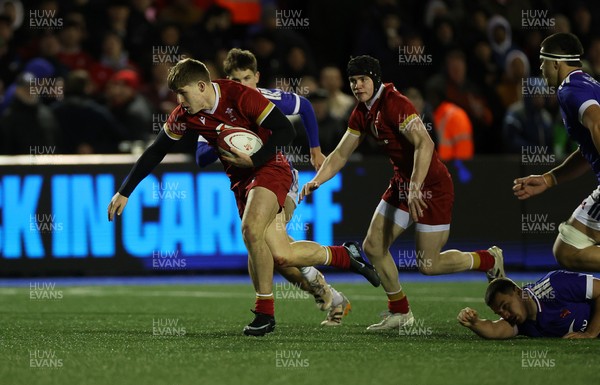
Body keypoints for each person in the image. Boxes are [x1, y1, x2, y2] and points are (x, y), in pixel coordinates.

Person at [107, 58, 379, 336]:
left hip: (270, 168)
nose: (180, 100)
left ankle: (265, 314)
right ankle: (345, 255)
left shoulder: (239, 95)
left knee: (250, 230)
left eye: (183, 93)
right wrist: (124, 191)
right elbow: (156, 151)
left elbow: (286, 129)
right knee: (282, 256)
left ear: (202, 86)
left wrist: (256, 158)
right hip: (241, 181)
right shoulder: (185, 114)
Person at [300, 55, 504, 331]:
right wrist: (317, 180)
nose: (357, 86)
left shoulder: (396, 103)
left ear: (375, 78)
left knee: (428, 264)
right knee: (373, 246)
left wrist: (417, 186)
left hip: (431, 186)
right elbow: (340, 154)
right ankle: (400, 311)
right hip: (403, 184)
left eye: (362, 79)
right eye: (353, 81)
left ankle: (489, 259)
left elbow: (425, 144)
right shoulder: (362, 111)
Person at [195, 48, 349, 327]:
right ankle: (330, 292)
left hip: (280, 176)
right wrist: (222, 139)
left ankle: (327, 277)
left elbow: (304, 106)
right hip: (249, 186)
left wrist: (315, 150)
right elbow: (201, 158)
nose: (241, 85)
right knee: (277, 255)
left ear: (257, 77)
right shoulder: (216, 108)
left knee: (268, 244)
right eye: (235, 79)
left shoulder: (264, 98)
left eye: (246, 78)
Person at [513, 33, 600, 272]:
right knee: (567, 248)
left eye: (542, 62)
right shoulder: (586, 84)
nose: (540, 68)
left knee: (569, 249)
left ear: (555, 63)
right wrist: (549, 179)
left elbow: (597, 123)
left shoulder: (569, 89)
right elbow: (588, 151)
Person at [457, 270, 600, 339]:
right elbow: (495, 330)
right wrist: (474, 322)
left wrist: (590, 333)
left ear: (518, 292)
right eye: (500, 313)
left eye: (505, 306)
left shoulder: (554, 284)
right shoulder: (520, 321)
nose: (505, 315)